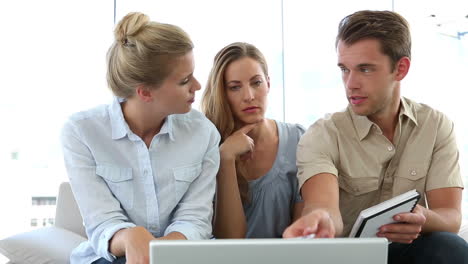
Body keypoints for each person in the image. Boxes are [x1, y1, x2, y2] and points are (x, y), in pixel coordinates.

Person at [283, 10, 468, 263]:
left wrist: (423, 218)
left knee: (450, 246)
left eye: (365, 69)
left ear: (400, 69)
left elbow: (450, 215)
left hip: (410, 250)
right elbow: (323, 206)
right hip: (348, 258)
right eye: (344, 70)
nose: (350, 84)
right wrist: (320, 219)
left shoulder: (435, 126)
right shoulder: (322, 135)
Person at [61, 12, 220, 264]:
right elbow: (102, 223)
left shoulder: (203, 133)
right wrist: (130, 238)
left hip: (183, 254)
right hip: (112, 258)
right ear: (145, 92)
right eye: (184, 80)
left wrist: (155, 251)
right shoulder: (81, 132)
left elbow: (195, 220)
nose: (198, 86)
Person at [201, 42, 304, 238]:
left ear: (268, 84)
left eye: (256, 83)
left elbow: (301, 239)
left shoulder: (298, 139)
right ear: (222, 93)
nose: (248, 96)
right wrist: (226, 158)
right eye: (235, 87)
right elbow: (230, 240)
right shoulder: (206, 146)